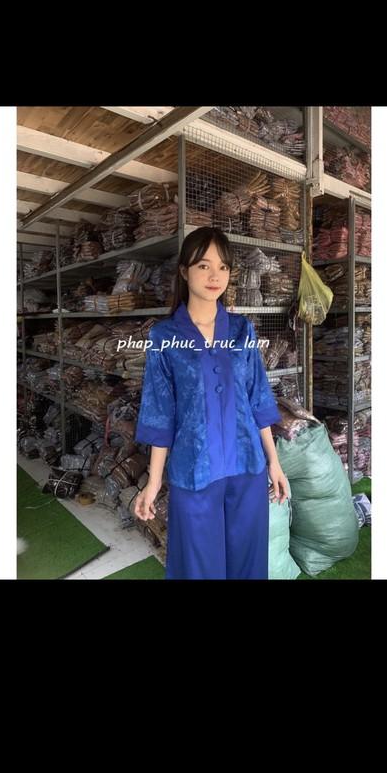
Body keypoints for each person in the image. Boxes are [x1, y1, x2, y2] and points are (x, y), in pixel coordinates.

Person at [132, 227, 291, 579]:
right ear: (184, 271)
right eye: (203, 266)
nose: (214, 275)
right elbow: (160, 412)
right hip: (194, 471)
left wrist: (274, 462)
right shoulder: (164, 337)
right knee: (198, 568)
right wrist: (154, 482)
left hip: (247, 466)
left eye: (223, 267)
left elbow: (257, 397)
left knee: (248, 565)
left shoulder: (242, 330)